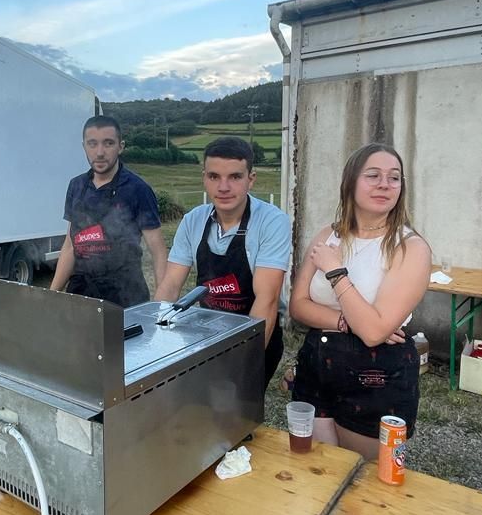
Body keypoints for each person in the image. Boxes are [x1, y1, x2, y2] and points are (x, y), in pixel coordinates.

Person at [288, 142, 431, 459]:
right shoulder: (328, 235)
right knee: (318, 468)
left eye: (394, 177)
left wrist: (336, 272)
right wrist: (347, 322)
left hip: (376, 375)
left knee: (364, 476)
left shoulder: (410, 248)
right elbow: (298, 305)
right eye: (373, 175)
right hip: (317, 365)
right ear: (350, 182)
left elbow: (374, 333)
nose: (385, 184)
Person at [155, 136, 291, 388]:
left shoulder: (272, 222)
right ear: (204, 178)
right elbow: (170, 285)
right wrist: (155, 336)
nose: (223, 187)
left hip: (258, 331)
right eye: (214, 176)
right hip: (206, 332)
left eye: (235, 177)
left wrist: (242, 363)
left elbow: (267, 299)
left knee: (235, 404)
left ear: (251, 179)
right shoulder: (193, 220)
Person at [50, 115, 167, 308]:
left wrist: (162, 305)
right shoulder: (76, 186)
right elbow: (70, 246)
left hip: (126, 295)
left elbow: (158, 250)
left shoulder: (138, 189)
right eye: (92, 144)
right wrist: (51, 295)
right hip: (81, 294)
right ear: (84, 146)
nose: (100, 152)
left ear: (120, 146)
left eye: (108, 143)